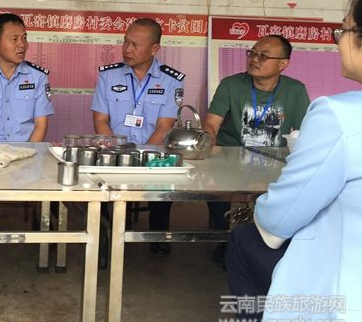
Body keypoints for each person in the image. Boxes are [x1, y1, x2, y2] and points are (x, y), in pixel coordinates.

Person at [225, 0, 362, 322]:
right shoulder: (231, 85)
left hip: (343, 285)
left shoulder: (339, 115)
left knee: (244, 240)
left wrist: (261, 209)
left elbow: (278, 221)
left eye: (343, 30)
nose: (339, 41)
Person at [203, 35, 310, 263]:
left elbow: (306, 133)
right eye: (252, 53)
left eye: (263, 56)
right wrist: (207, 142)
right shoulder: (231, 84)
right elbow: (211, 124)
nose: (254, 59)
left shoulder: (295, 90)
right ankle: (227, 241)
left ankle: (264, 245)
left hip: (275, 166)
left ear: (283, 64)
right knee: (217, 196)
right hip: (230, 164)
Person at [91, 18, 184, 256]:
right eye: (125, 42)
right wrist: (118, 152)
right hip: (114, 151)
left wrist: (141, 157)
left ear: (154, 49)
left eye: (135, 45)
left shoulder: (171, 80)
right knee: (102, 185)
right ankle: (106, 234)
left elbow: (165, 126)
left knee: (164, 179)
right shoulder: (108, 76)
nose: (127, 49)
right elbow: (100, 120)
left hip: (152, 153)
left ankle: (158, 232)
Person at [0, 12, 54, 142]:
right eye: (14, 39)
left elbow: (41, 125)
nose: (22, 44)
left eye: (24, 38)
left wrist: (26, 153)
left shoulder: (38, 77)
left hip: (27, 151)